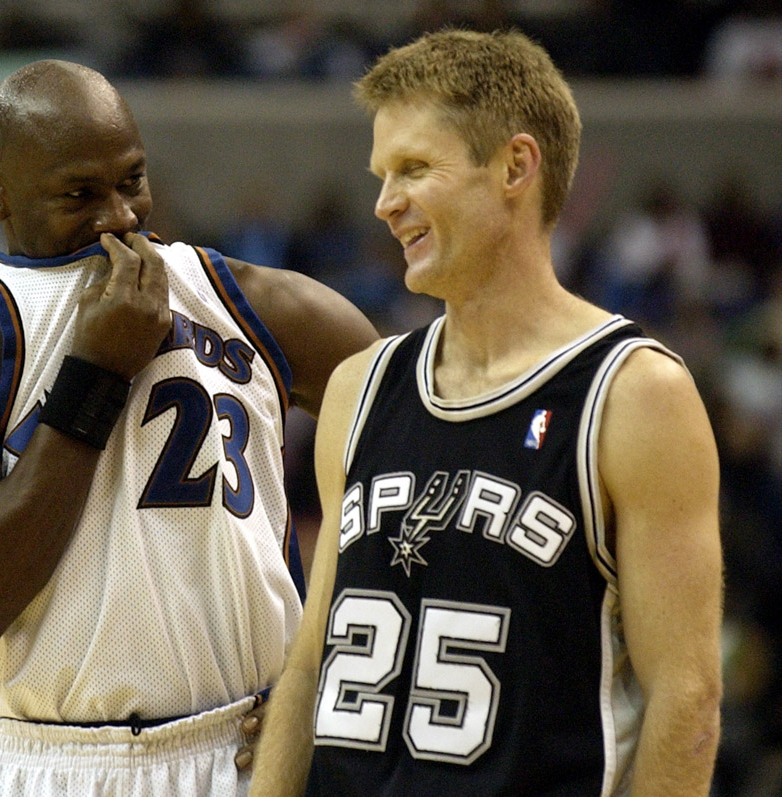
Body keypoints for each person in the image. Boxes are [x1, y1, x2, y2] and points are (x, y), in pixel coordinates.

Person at [0, 59, 378, 796]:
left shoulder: (257, 302)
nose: (119, 218)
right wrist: (95, 379)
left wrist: (336, 669)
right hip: (52, 763)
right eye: (80, 194)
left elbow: (438, 469)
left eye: (130, 181)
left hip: (254, 752)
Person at [250, 28, 723, 796]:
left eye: (413, 169)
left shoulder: (633, 393)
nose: (383, 203)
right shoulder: (358, 388)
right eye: (380, 174)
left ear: (514, 165)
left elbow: (688, 702)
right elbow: (310, 663)